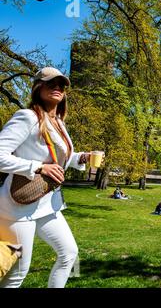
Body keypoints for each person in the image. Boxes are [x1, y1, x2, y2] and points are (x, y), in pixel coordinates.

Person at [0, 67, 96, 288]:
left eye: (61, 85)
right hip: (18, 208)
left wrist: (82, 158)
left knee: (69, 253)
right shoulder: (27, 117)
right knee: (17, 273)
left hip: (46, 205)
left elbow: (61, 158)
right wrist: (38, 167)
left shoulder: (59, 122)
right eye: (51, 83)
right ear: (38, 87)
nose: (57, 88)